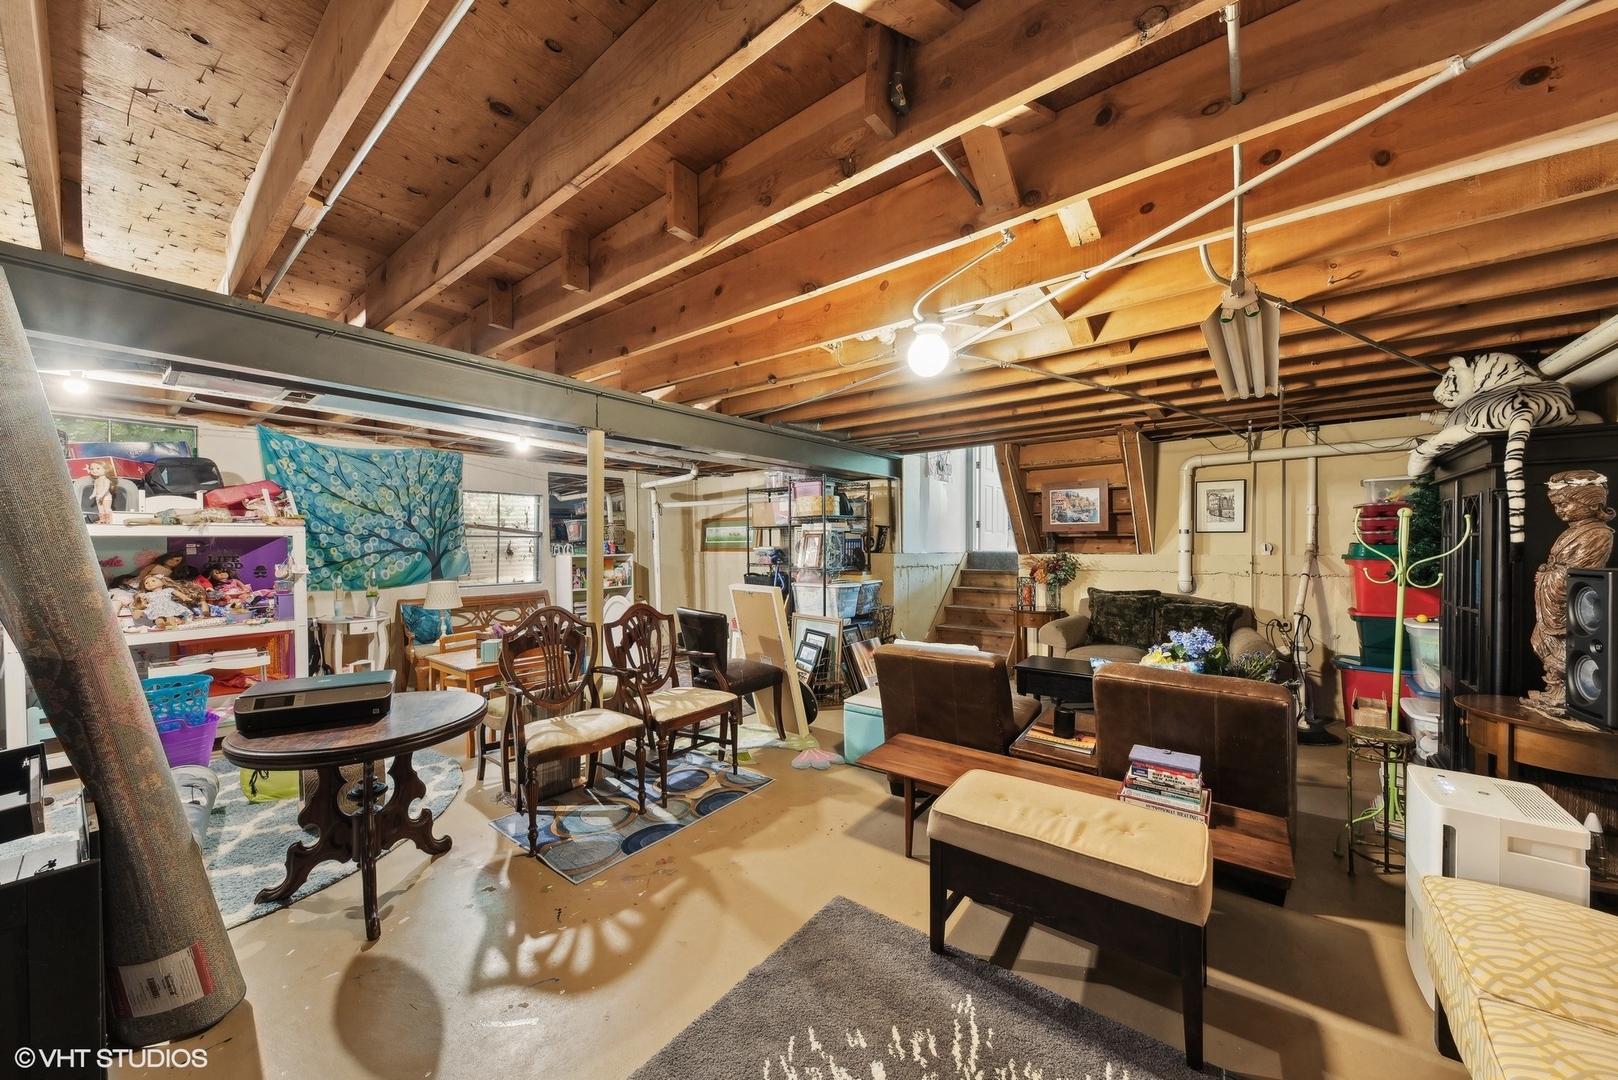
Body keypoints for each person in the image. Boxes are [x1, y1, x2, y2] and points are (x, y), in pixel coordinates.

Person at [1527, 470, 1615, 714]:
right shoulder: (1570, 531)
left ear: (1591, 502)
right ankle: (1556, 690)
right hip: (1552, 603)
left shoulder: (1599, 534)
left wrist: (1547, 576)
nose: (1560, 511)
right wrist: (1548, 573)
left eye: (1565, 504)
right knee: (1540, 642)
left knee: (1569, 651)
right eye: (1557, 505)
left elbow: (1577, 575)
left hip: (1575, 608)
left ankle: (1571, 693)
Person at [86, 459, 115, 523]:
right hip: (98, 497)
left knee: (107, 509)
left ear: (106, 469)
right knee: (100, 509)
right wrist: (93, 495)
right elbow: (95, 489)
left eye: (98, 468)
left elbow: (106, 488)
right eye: (92, 469)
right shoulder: (96, 480)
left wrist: (101, 494)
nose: (94, 470)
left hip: (106, 497)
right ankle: (102, 520)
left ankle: (110, 520)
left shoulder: (106, 480)